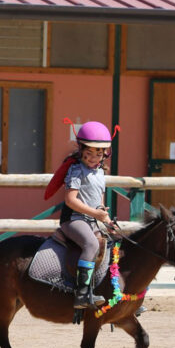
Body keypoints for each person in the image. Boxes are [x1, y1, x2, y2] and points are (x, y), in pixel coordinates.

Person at [58, 122, 112, 310]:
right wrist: (95, 213)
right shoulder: (76, 170)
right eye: (89, 154)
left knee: (114, 245)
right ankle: (81, 294)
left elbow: (98, 201)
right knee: (91, 244)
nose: (93, 158)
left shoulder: (100, 172)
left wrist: (104, 216)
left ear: (105, 154)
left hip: (91, 218)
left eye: (98, 154)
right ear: (81, 150)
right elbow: (70, 200)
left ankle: (114, 293)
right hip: (73, 219)